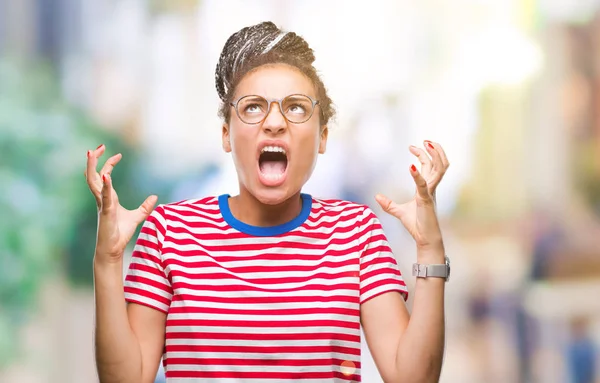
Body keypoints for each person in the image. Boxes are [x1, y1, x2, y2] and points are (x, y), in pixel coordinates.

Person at [86, 21, 450, 383]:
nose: (274, 122)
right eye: (253, 107)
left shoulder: (355, 232)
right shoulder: (170, 231)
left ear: (322, 137)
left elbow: (413, 377)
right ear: (227, 135)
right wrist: (107, 261)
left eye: (295, 108)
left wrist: (430, 249)